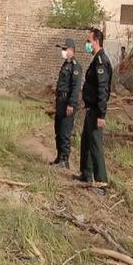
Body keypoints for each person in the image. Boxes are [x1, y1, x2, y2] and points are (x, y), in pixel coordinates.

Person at [78, 28, 112, 190]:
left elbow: (102, 90)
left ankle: (101, 182)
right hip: (90, 108)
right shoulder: (96, 60)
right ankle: (86, 173)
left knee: (96, 144)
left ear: (96, 41)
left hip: (96, 111)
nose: (87, 44)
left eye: (88, 41)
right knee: (86, 140)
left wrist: (101, 114)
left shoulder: (101, 62)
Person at [51, 39, 81, 169]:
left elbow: (75, 87)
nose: (62, 52)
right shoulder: (65, 64)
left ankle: (65, 160)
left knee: (65, 131)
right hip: (60, 101)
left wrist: (72, 104)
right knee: (58, 130)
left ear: (71, 50)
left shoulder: (75, 66)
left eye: (64, 49)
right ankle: (59, 157)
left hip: (68, 102)